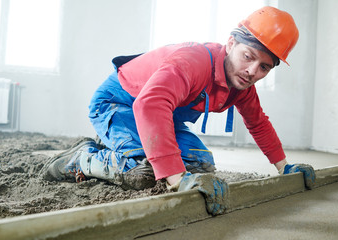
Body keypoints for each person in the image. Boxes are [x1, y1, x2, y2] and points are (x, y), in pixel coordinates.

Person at [41, 6, 315, 216]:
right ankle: (82, 158)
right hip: (120, 103)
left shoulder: (242, 85)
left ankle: (121, 146)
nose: (252, 72)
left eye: (264, 67)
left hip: (159, 116)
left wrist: (285, 167)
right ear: (231, 44)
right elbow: (150, 104)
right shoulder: (194, 61)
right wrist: (176, 179)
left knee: (200, 166)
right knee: (146, 173)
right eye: (248, 56)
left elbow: (258, 123)